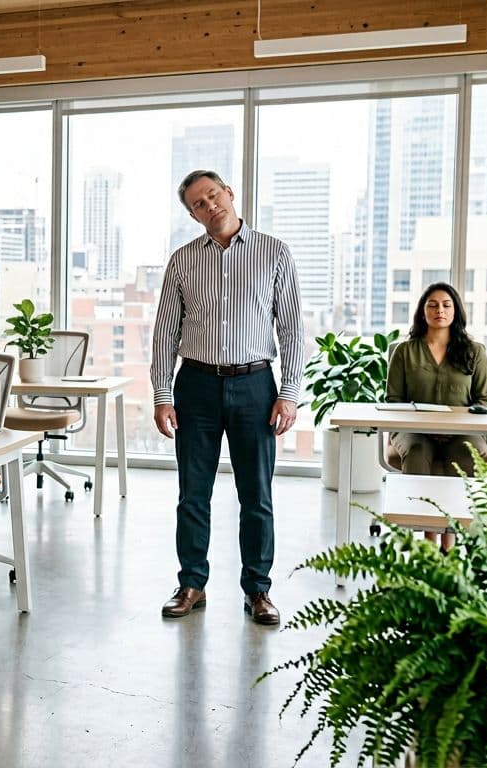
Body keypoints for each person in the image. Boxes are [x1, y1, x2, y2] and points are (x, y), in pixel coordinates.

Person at [150, 170, 304, 627]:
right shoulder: (182, 260)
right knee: (192, 494)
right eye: (199, 203)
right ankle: (191, 583)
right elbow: (164, 333)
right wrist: (162, 394)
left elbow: (292, 329)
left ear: (230, 194)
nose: (209, 206)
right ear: (192, 214)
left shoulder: (274, 252)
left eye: (213, 195)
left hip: (256, 385)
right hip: (195, 385)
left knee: (256, 493)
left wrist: (290, 393)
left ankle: (258, 589)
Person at [386, 281, 487, 476]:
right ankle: (413, 507)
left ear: (456, 311)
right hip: (413, 429)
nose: (440, 310)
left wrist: (453, 427)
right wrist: (427, 426)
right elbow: (394, 400)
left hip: (463, 431)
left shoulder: (475, 352)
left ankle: (457, 508)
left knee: (468, 455)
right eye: (433, 304)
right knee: (416, 453)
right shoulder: (404, 351)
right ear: (422, 311)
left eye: (446, 304)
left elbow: (483, 400)